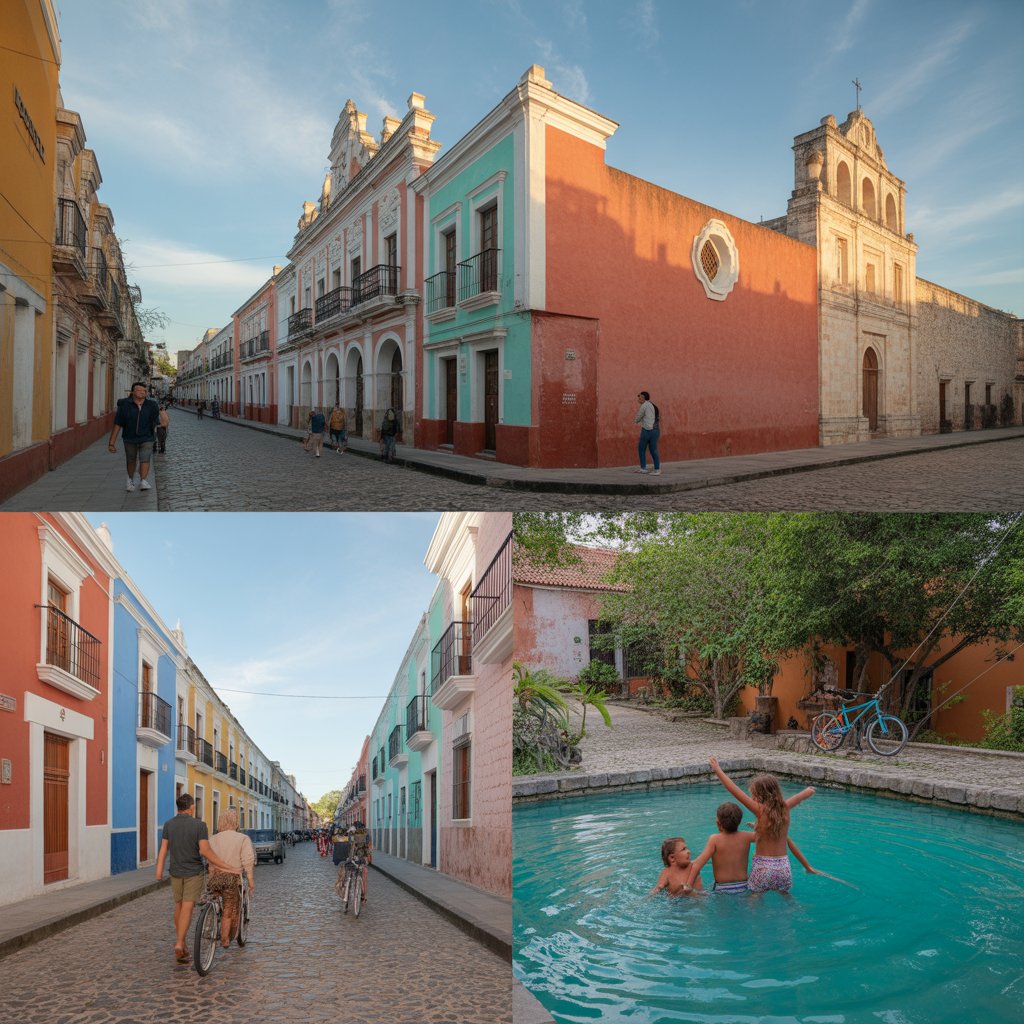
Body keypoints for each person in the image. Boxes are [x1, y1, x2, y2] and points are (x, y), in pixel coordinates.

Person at [708, 757, 815, 894]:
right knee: (785, 896)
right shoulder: (785, 808)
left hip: (763, 867)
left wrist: (717, 770)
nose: (752, 798)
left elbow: (734, 790)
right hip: (784, 867)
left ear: (759, 796)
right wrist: (808, 791)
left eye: (753, 795)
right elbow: (800, 796)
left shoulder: (760, 810)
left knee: (754, 898)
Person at [155, 793, 239, 964]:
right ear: (191, 807)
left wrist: (158, 870)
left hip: (175, 871)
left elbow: (164, 849)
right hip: (193, 872)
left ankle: (183, 944)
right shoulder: (199, 825)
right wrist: (225, 866)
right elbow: (205, 851)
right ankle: (179, 943)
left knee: (178, 906)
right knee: (187, 907)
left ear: (178, 807)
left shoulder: (169, 824)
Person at [685, 801, 820, 894]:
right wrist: (757, 828)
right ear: (739, 822)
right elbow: (770, 836)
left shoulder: (714, 839)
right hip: (745, 887)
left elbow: (697, 865)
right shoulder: (746, 837)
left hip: (722, 889)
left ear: (718, 823)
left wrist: (688, 886)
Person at [206, 808, 255, 948]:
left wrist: (211, 876)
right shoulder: (242, 838)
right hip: (232, 879)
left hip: (215, 878)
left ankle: (211, 918)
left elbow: (210, 862)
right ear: (235, 822)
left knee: (215, 899)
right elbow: (248, 861)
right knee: (229, 908)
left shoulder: (213, 838)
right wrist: (251, 881)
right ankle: (225, 939)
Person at [108, 381, 161, 492]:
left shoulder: (152, 405)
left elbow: (157, 420)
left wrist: (157, 431)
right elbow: (118, 423)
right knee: (131, 459)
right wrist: (111, 442)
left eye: (144, 391)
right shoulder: (125, 405)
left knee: (145, 458)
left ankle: (143, 481)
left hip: (147, 437)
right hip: (129, 437)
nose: (142, 392)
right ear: (132, 392)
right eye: (139, 390)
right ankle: (130, 478)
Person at [634, 391, 661, 475]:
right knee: (653, 450)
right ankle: (657, 469)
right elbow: (659, 417)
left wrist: (635, 421)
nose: (638, 399)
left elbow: (639, 416)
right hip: (656, 430)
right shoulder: (654, 406)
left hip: (646, 430)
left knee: (641, 448)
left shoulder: (644, 405)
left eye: (640, 397)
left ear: (643, 398)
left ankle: (643, 468)